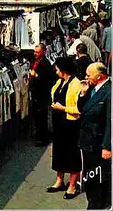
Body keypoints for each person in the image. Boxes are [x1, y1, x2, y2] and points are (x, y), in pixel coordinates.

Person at [77, 62, 111, 209]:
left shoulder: (109, 92)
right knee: (89, 174)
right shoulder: (92, 88)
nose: (86, 77)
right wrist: (83, 93)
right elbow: (82, 109)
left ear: (99, 76)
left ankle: (97, 203)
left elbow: (110, 122)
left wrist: (107, 146)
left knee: (98, 175)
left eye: (88, 75)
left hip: (98, 141)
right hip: (87, 140)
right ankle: (94, 200)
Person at [47, 57, 82, 199]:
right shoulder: (59, 82)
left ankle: (72, 185)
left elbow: (80, 109)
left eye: (57, 69)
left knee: (72, 153)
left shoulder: (76, 84)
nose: (55, 72)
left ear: (63, 70)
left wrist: (63, 108)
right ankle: (59, 180)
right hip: (58, 123)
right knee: (59, 151)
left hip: (71, 123)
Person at [29, 44, 55, 146]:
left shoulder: (45, 64)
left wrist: (36, 75)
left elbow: (48, 80)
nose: (35, 54)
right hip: (36, 93)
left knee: (42, 116)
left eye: (37, 52)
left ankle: (43, 138)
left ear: (43, 52)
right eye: (34, 52)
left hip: (42, 94)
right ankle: (39, 135)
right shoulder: (36, 61)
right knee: (37, 115)